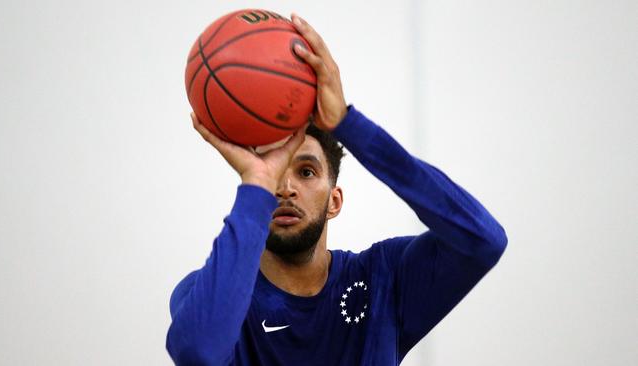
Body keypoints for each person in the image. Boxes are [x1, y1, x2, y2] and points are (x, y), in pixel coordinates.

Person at [166, 14, 507, 366]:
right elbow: (198, 352)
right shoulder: (204, 293)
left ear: (334, 200)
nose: (285, 188)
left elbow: (484, 240)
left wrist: (348, 124)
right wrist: (255, 185)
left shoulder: (383, 280)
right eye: (276, 174)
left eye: (307, 172)